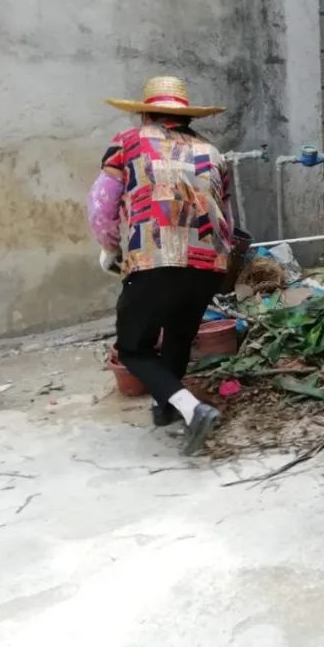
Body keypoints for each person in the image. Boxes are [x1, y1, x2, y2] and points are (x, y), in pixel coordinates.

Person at [87, 76, 233, 455]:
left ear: (146, 114)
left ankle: (191, 408)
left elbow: (102, 203)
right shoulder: (214, 152)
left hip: (154, 258)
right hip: (209, 262)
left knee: (133, 348)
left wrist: (109, 248)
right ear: (186, 118)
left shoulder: (128, 142)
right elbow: (226, 215)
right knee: (179, 335)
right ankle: (163, 408)